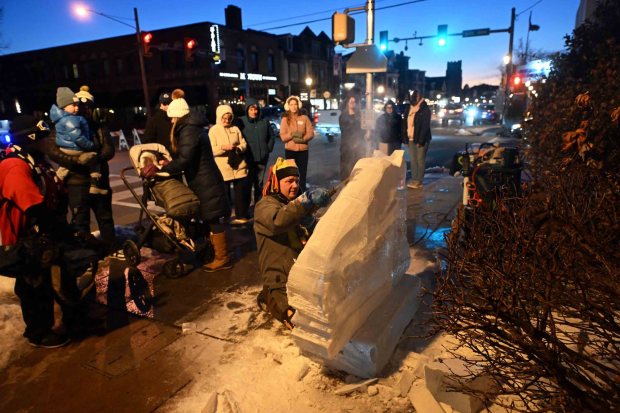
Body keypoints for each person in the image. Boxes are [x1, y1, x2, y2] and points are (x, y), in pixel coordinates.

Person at [0, 116, 72, 347]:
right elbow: (32, 203)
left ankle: (59, 320)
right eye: (43, 137)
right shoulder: (14, 164)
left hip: (40, 234)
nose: (47, 141)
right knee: (33, 283)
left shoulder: (35, 160)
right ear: (30, 138)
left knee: (50, 279)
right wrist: (57, 227)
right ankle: (38, 332)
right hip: (23, 237)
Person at [145, 93, 232, 272]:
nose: (171, 122)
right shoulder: (191, 127)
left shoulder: (188, 129)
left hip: (205, 180)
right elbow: (187, 156)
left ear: (178, 116)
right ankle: (215, 253)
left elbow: (185, 159)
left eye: (173, 118)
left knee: (213, 218)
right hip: (204, 178)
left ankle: (222, 257)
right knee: (209, 217)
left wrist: (164, 170)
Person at [253, 157, 331, 329]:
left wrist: (311, 223)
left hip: (301, 272)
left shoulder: (292, 205)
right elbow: (278, 221)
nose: (295, 185)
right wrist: (304, 202)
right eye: (289, 181)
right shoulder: (264, 206)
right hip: (280, 279)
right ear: (276, 182)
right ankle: (269, 295)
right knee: (296, 320)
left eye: (296, 180)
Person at [47, 86, 117, 253]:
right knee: (80, 220)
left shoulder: (98, 125)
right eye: (79, 105)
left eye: (87, 106)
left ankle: (112, 249)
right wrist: (77, 160)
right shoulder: (62, 124)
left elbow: (109, 149)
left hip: (99, 180)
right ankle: (86, 255)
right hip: (76, 182)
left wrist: (95, 158)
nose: (82, 109)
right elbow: (53, 151)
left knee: (105, 218)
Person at [50, 87, 102, 195]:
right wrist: (90, 145)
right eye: (75, 105)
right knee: (93, 160)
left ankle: (55, 182)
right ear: (64, 106)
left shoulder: (60, 120)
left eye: (78, 105)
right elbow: (77, 137)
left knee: (64, 168)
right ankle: (95, 184)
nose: (78, 108)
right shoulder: (71, 119)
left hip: (66, 149)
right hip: (75, 150)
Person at [209, 104, 251, 225]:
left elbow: (243, 143)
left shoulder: (235, 129)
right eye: (224, 118)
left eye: (229, 118)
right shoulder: (214, 130)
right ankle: (226, 215)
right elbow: (211, 149)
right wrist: (223, 148)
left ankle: (241, 214)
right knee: (224, 193)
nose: (227, 121)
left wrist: (239, 148)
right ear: (219, 117)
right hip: (223, 167)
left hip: (238, 165)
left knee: (240, 192)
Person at [237, 97, 276, 207]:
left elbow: (272, 136)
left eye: (256, 109)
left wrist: (268, 149)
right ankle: (247, 206)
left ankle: (258, 205)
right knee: (248, 184)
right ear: (247, 110)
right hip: (248, 159)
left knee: (259, 183)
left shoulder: (264, 121)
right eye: (251, 109)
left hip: (262, 158)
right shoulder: (241, 122)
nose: (254, 112)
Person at [279, 95, 314, 192]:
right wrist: (292, 135)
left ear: (298, 105)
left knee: (302, 173)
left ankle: (302, 192)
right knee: (292, 173)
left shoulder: (304, 118)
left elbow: (311, 132)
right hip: (290, 151)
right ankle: (292, 193)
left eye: (295, 104)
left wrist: (303, 139)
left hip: (303, 150)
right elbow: (282, 137)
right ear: (288, 106)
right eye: (291, 104)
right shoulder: (285, 119)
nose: (293, 106)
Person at [403, 91, 432, 189]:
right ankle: (414, 179)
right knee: (413, 160)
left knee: (420, 160)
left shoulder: (424, 109)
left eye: (417, 97)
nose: (415, 99)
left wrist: (420, 141)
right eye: (414, 97)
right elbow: (405, 124)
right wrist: (405, 139)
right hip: (410, 138)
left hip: (421, 139)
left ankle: (419, 180)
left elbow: (425, 126)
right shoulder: (408, 108)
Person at [338, 94, 364, 181]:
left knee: (356, 167)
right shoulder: (343, 116)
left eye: (354, 102)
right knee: (345, 168)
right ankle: (344, 185)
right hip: (346, 147)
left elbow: (362, 130)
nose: (352, 103)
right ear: (347, 103)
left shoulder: (359, 116)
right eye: (351, 102)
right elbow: (345, 130)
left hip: (357, 148)